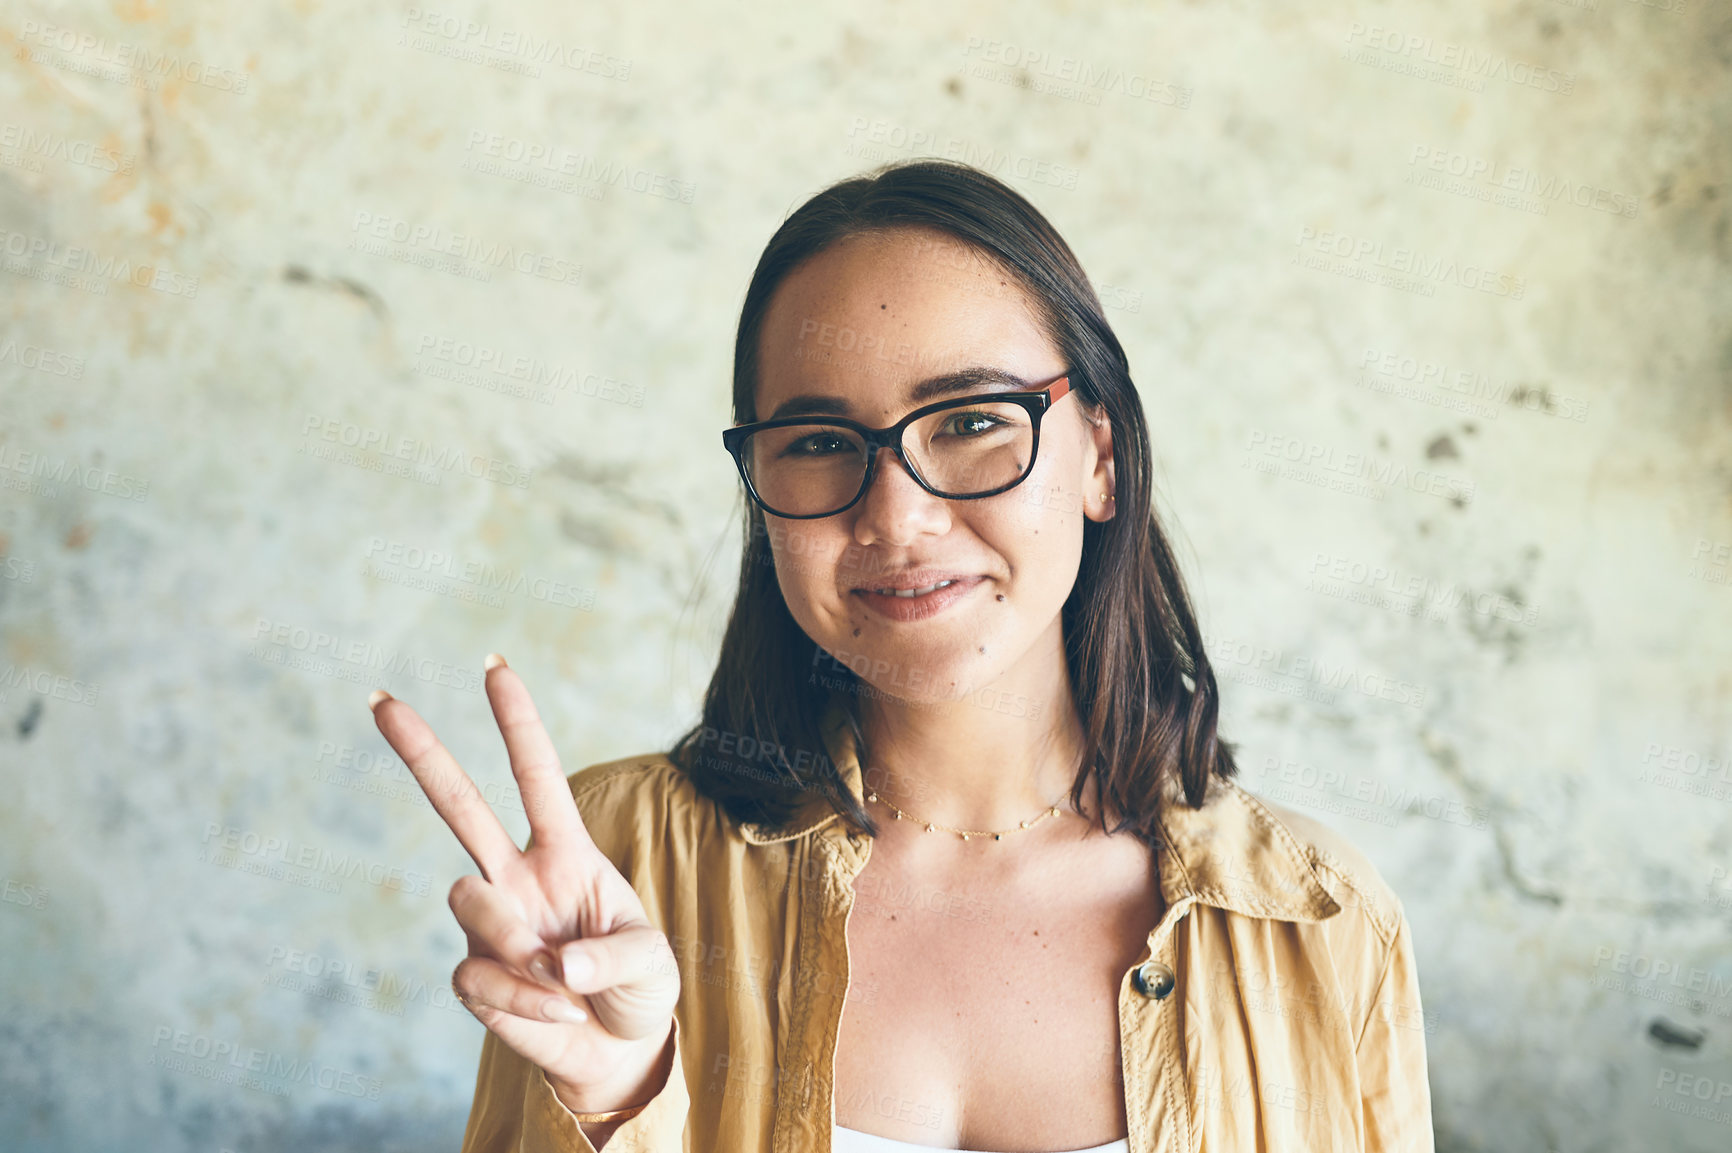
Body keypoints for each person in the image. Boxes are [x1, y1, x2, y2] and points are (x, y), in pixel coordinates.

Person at [367, 159, 1436, 1152]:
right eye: (822, 443)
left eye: (972, 420)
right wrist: (616, 1103)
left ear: (1100, 457)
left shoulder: (1320, 921)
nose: (899, 516)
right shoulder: (619, 869)